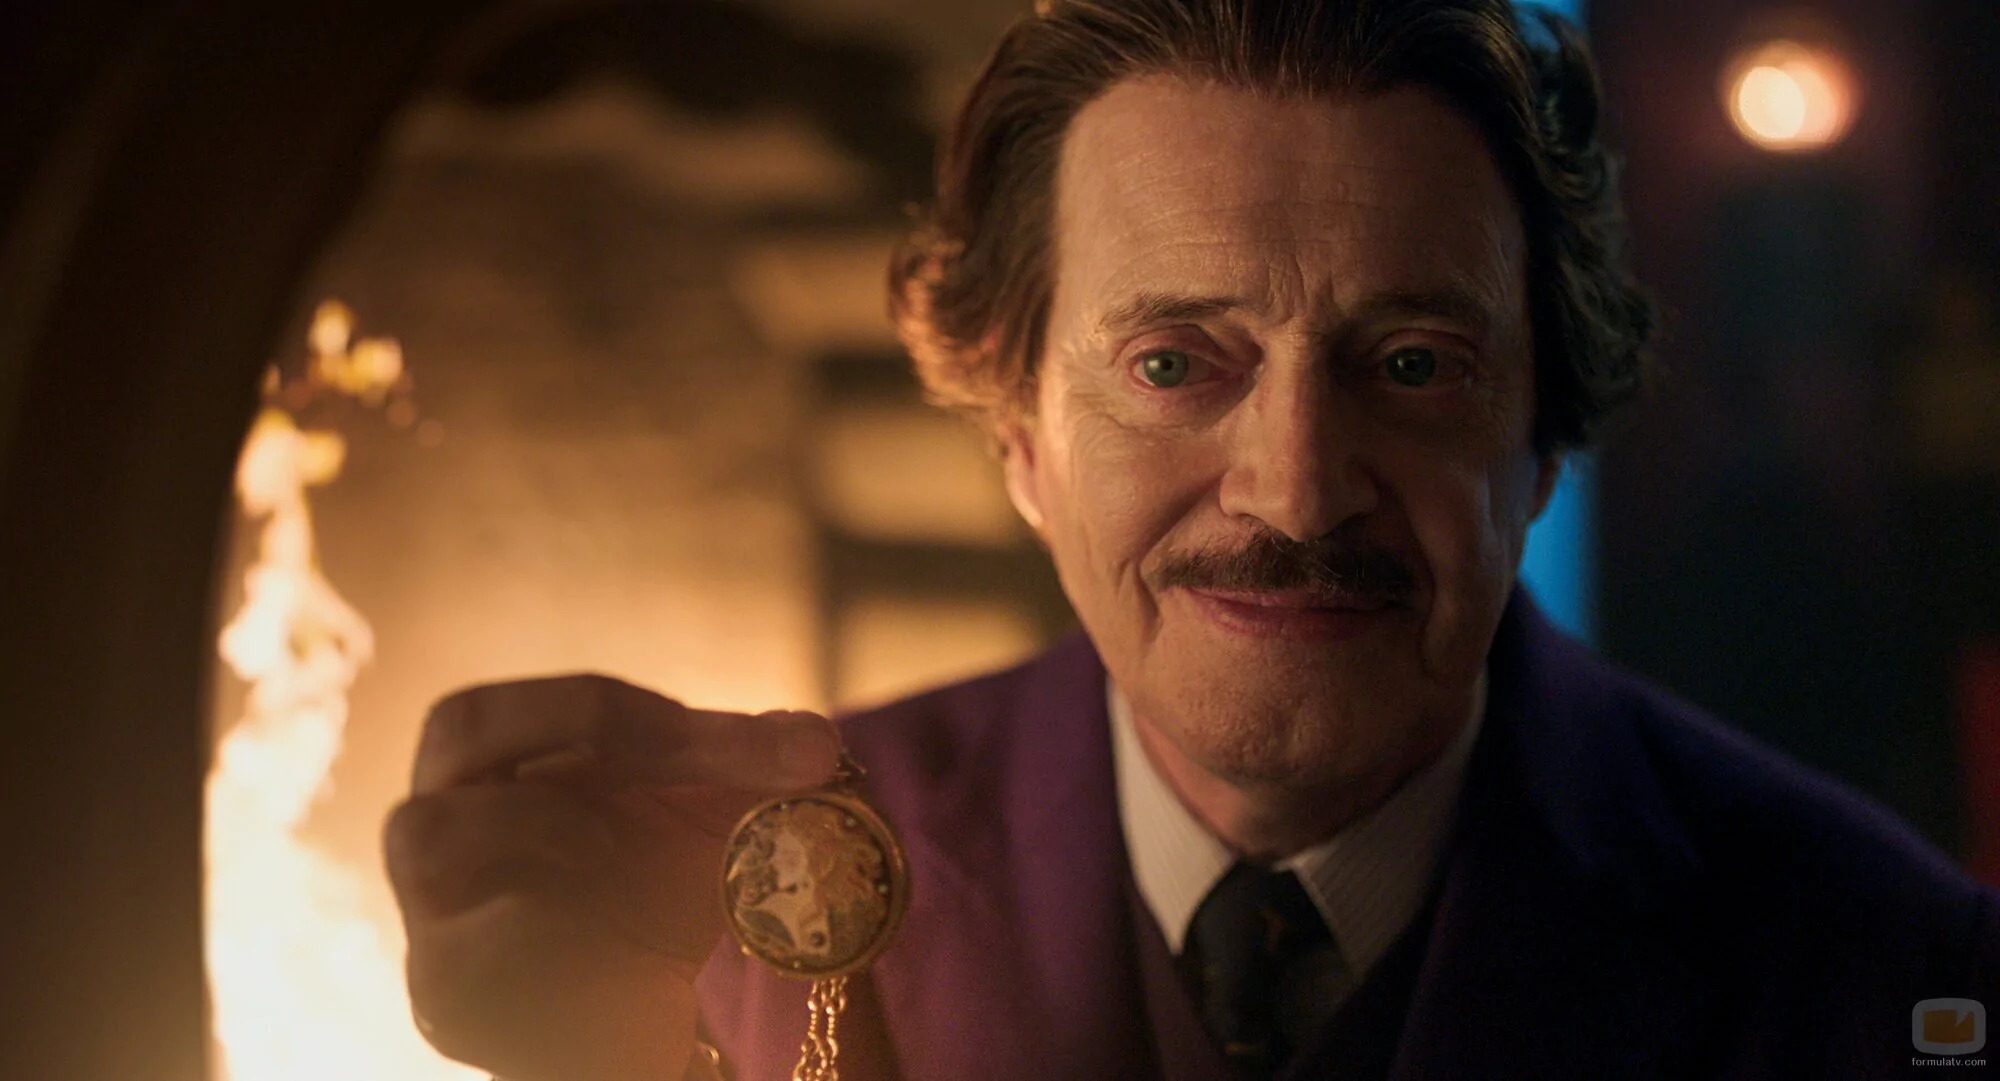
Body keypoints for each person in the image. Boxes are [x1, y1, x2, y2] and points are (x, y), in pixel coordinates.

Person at [383, 1, 2000, 1078]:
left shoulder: (1894, 974)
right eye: (1172, 366)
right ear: (1019, 438)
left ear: (1546, 442)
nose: (1295, 494)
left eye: (1411, 366)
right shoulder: (737, 921)